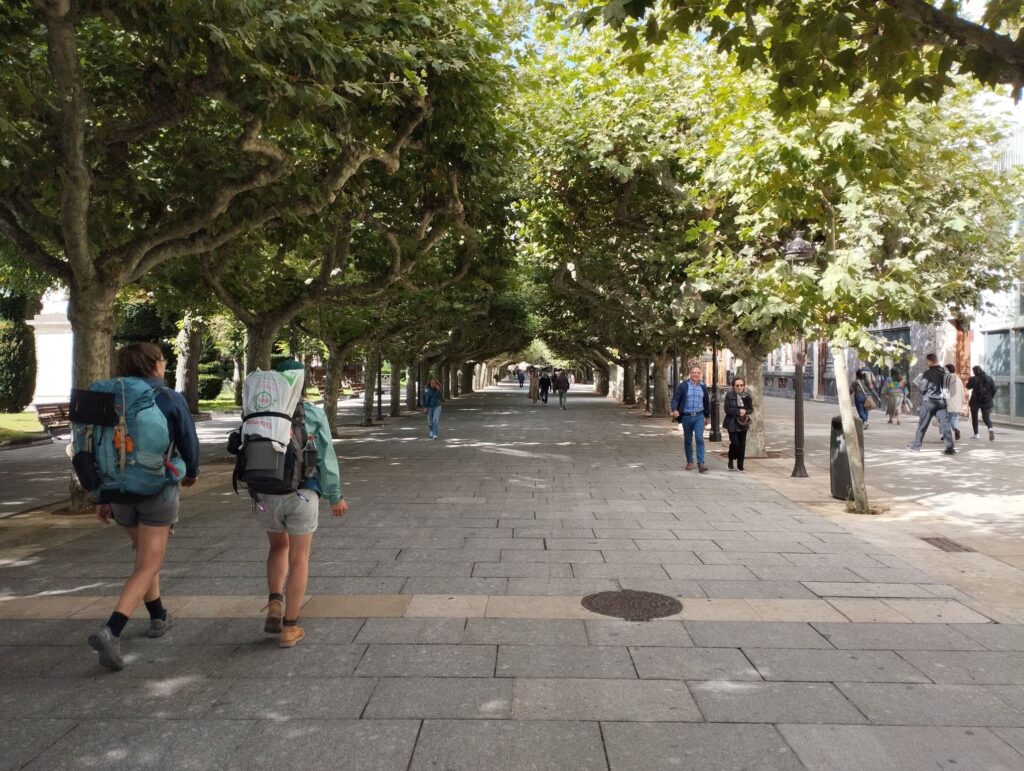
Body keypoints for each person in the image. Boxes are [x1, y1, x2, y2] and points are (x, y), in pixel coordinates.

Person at [88, 343, 200, 671]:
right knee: (149, 563)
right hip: (156, 487)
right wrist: (191, 472)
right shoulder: (167, 397)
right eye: (163, 360)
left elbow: (94, 447)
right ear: (154, 364)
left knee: (144, 558)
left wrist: (102, 495)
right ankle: (112, 629)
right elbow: (188, 441)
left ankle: (157, 616)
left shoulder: (109, 399)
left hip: (117, 490)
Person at [259, 360, 348, 647]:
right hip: (303, 493)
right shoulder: (311, 413)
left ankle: (275, 601)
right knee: (300, 558)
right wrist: (335, 496)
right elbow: (326, 457)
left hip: (266, 495)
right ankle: (290, 627)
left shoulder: (259, 411)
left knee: (277, 547)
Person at [907, 353, 955, 455]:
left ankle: (916, 446)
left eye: (926, 361)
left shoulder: (928, 373)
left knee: (922, 424)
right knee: (945, 425)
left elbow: (923, 389)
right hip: (941, 402)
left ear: (929, 361)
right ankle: (950, 448)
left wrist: (921, 386)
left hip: (929, 402)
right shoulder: (944, 372)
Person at [670, 365, 711, 473]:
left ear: (700, 374)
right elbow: (675, 399)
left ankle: (701, 463)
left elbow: (707, 402)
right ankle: (690, 461)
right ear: (690, 373)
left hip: (699, 416)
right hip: (687, 417)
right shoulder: (683, 386)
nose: (696, 374)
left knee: (699, 438)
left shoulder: (702, 386)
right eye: (694, 372)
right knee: (688, 440)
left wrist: (707, 416)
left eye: (698, 373)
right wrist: (675, 410)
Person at [723, 377, 753, 472]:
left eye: (741, 385)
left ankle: (740, 465)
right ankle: (731, 459)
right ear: (733, 386)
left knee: (742, 445)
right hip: (732, 423)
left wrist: (746, 411)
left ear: (744, 386)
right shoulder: (729, 395)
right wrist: (738, 411)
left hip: (743, 423)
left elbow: (751, 409)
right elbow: (727, 410)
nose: (739, 387)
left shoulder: (747, 396)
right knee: (735, 443)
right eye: (737, 385)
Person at [966, 365, 996, 441]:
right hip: (986, 401)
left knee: (974, 418)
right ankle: (990, 429)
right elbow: (994, 390)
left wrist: (970, 381)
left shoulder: (973, 379)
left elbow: (968, 387)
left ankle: (976, 434)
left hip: (975, 401)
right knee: (986, 417)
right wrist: (990, 397)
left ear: (974, 371)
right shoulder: (989, 378)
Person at [943, 364, 964, 441]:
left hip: (948, 402)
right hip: (956, 403)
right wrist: (963, 401)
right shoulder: (958, 379)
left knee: (945, 419)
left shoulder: (946, 379)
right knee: (953, 418)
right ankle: (954, 430)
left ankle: (953, 430)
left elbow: (944, 391)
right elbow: (962, 392)